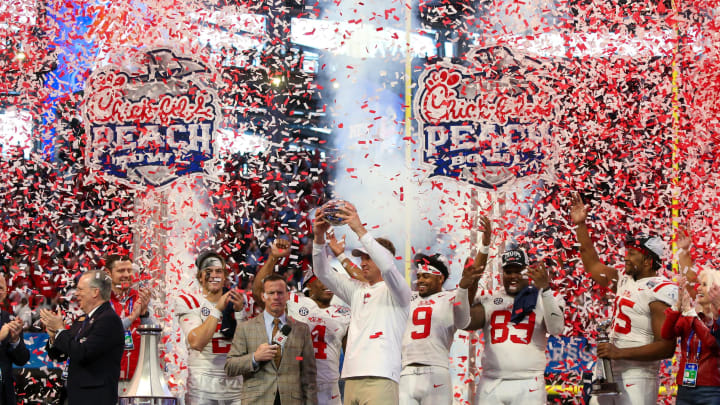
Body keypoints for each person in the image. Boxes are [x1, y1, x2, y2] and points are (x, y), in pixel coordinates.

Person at [569, 193, 677, 405]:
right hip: (609, 371)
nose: (625, 256)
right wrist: (580, 225)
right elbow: (592, 265)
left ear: (647, 260)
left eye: (632, 253)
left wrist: (620, 352)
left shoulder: (660, 290)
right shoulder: (623, 280)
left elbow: (666, 347)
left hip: (639, 376)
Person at [313, 202, 412, 405]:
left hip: (381, 376)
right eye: (362, 258)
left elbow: (387, 267)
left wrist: (358, 228)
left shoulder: (399, 291)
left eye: (368, 257)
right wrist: (318, 239)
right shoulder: (357, 289)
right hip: (351, 376)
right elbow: (321, 272)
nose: (363, 262)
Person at [460, 248, 565, 405]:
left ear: (527, 271)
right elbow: (464, 322)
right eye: (508, 272)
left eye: (519, 271)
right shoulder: (489, 300)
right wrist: (464, 287)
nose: (513, 276)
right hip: (491, 383)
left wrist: (545, 290)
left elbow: (556, 329)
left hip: (529, 383)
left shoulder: (546, 297)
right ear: (502, 274)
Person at [253, 238, 351, 405]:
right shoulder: (294, 302)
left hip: (330, 388)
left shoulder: (344, 313)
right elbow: (259, 293)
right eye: (323, 279)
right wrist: (273, 258)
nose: (329, 284)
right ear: (309, 285)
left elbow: (350, 356)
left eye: (332, 279)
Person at [225, 273, 318, 405]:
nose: (276, 297)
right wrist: (254, 357)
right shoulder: (246, 328)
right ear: (263, 296)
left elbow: (309, 376)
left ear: (287, 296)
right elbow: (230, 367)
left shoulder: (301, 329)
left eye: (280, 293)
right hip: (256, 401)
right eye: (271, 293)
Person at [40, 270, 125, 405]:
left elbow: (82, 353)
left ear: (95, 292)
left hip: (95, 398)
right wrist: (53, 337)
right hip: (77, 395)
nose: (76, 294)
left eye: (80, 289)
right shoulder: (83, 320)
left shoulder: (108, 320)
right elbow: (62, 355)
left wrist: (60, 330)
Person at [399, 252, 473, 405]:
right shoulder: (409, 298)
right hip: (407, 372)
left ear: (440, 278)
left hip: (436, 371)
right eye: (419, 276)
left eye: (426, 276)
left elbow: (464, 321)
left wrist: (485, 248)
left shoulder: (451, 298)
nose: (420, 280)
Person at [175, 250, 248, 405]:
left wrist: (240, 313)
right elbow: (196, 343)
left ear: (224, 276)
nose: (214, 275)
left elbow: (248, 346)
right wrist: (217, 310)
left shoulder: (240, 301)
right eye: (208, 271)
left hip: (236, 390)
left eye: (218, 271)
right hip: (201, 390)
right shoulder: (189, 302)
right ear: (200, 276)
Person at [661, 269, 720, 404]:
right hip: (685, 388)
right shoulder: (692, 316)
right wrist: (677, 306)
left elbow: (712, 343)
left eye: (704, 285)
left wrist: (689, 314)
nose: (698, 288)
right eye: (699, 284)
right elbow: (666, 334)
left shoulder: (715, 320)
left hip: (712, 390)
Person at [104, 254, 152, 394]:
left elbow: (156, 336)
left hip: (137, 379)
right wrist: (132, 318)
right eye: (121, 271)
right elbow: (105, 332)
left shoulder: (142, 297)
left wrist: (144, 315)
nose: (126, 275)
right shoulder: (100, 299)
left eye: (129, 270)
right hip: (107, 379)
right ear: (108, 273)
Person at [0, 275, 30, 405]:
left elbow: (22, 359)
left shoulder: (10, 320)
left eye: (1, 288)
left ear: (6, 292)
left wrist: (15, 340)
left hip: (4, 395)